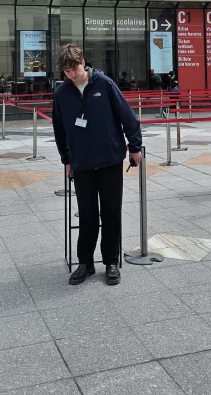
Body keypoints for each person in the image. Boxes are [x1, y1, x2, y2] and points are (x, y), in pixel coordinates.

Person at [52, 45, 141, 286]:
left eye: (74, 68)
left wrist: (134, 146)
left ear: (83, 61)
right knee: (88, 215)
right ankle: (86, 263)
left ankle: (111, 262)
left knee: (111, 213)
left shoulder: (105, 84)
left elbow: (128, 116)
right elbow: (59, 130)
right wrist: (66, 159)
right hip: (81, 164)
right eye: (66, 71)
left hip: (110, 159)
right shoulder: (61, 93)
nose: (72, 74)